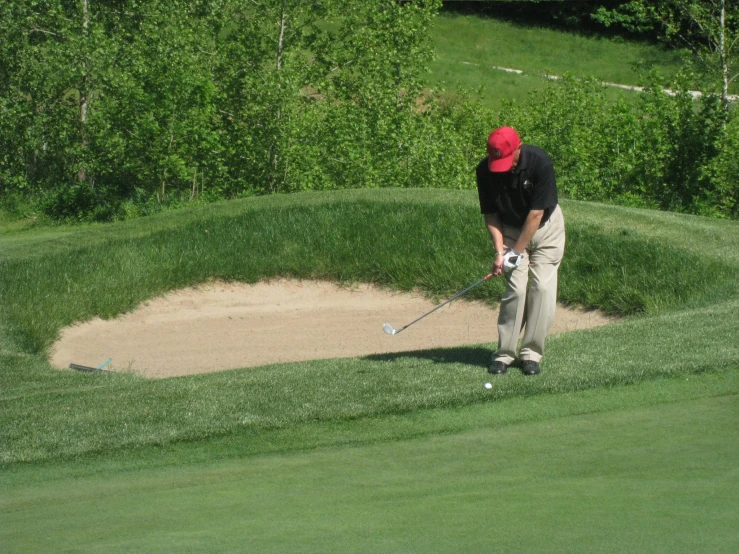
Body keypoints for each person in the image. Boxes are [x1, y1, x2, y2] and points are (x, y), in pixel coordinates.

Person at [476, 126, 565, 376]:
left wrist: (516, 252)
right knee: (516, 289)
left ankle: (531, 355)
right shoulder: (485, 170)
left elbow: (536, 214)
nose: (501, 166)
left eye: (506, 159)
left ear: (519, 147)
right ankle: (504, 354)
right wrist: (499, 251)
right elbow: (491, 214)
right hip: (511, 230)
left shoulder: (539, 163)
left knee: (543, 289)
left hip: (546, 229)